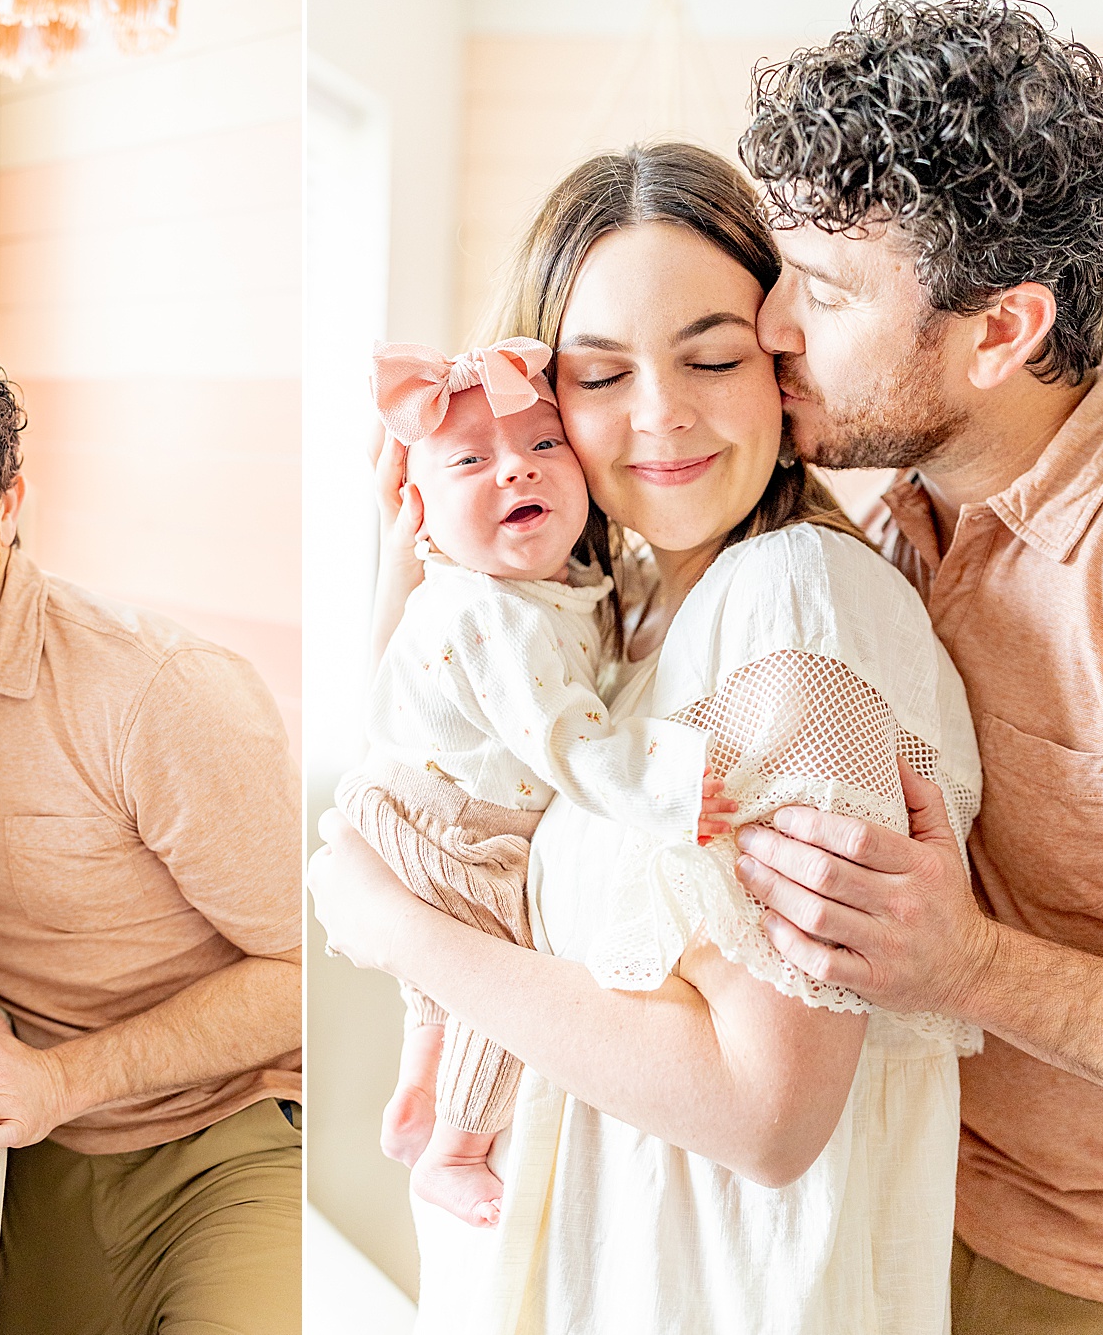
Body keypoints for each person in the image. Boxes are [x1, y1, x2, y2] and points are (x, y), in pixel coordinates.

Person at [310, 143, 981, 1334]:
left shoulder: (793, 602)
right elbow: (429, 756)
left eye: (712, 357)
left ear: (783, 366)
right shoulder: (617, 617)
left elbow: (769, 1114)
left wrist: (398, 926)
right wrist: (410, 544)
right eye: (600, 375)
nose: (661, 414)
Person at [725, 0, 1103, 1334]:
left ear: (1002, 330)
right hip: (900, 1218)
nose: (773, 327)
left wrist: (969, 967)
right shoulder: (884, 510)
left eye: (828, 291)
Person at [0, 320, 303, 1335]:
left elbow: (315, 976)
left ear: (8, 505)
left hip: (224, 1141)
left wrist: (63, 1076)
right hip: (17, 1152)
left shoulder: (155, 692)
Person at [346, 335, 731, 1229]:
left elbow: (598, 620)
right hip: (448, 823)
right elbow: (570, 739)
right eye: (471, 460)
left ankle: (416, 1094)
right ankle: (455, 1149)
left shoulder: (557, 583)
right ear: (421, 513)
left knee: (443, 976)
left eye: (544, 445)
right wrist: (673, 789)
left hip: (430, 808)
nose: (515, 471)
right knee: (503, 971)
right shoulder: (486, 612)